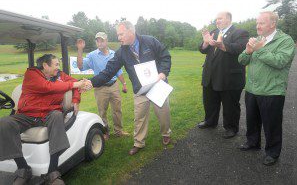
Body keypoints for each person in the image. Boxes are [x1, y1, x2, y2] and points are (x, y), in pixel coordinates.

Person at [0, 54, 90, 185]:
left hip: (49, 113)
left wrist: (76, 100)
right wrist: (77, 83)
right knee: (4, 123)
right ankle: (23, 168)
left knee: (57, 115)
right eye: (56, 64)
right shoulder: (31, 74)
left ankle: (52, 172)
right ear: (45, 65)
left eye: (58, 64)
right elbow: (47, 87)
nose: (58, 68)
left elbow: (76, 85)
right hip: (28, 114)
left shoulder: (60, 76)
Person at [88, 21, 172, 155]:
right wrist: (91, 82)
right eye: (118, 35)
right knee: (139, 117)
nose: (119, 37)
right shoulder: (121, 52)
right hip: (140, 89)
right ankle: (139, 143)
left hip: (158, 85)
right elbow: (108, 71)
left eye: (121, 34)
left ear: (131, 31)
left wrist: (163, 72)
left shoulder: (150, 41)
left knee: (163, 112)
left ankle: (166, 133)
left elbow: (165, 56)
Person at [238, 11, 295, 166]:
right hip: (251, 89)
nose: (258, 26)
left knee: (272, 124)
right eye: (257, 23)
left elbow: (280, 61)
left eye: (261, 23)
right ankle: (252, 142)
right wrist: (248, 51)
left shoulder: (285, 41)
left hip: (272, 91)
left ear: (272, 24)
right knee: (252, 120)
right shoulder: (257, 40)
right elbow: (242, 60)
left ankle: (272, 152)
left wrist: (259, 49)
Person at [198, 11, 249, 138]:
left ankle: (231, 127)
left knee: (230, 104)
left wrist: (221, 45)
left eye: (220, 18)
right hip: (210, 75)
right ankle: (210, 121)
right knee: (210, 101)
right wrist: (205, 42)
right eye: (216, 19)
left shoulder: (240, 33)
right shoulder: (214, 32)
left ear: (228, 19)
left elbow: (239, 48)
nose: (217, 21)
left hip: (229, 77)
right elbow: (203, 50)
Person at [76, 32, 129, 140]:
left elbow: (118, 71)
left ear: (106, 41)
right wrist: (80, 49)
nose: (99, 43)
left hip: (114, 85)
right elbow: (81, 66)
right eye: (97, 40)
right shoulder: (92, 55)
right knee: (102, 111)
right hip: (100, 88)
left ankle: (118, 131)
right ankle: (105, 132)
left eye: (102, 40)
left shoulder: (114, 54)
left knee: (117, 110)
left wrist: (124, 83)